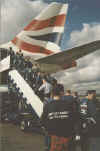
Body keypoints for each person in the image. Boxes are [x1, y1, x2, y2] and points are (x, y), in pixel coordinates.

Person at [41, 85, 79, 151]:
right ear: (62, 92)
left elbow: (42, 121)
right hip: (67, 137)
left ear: (52, 93)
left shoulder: (47, 106)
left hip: (53, 138)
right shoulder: (69, 105)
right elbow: (75, 120)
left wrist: (49, 130)